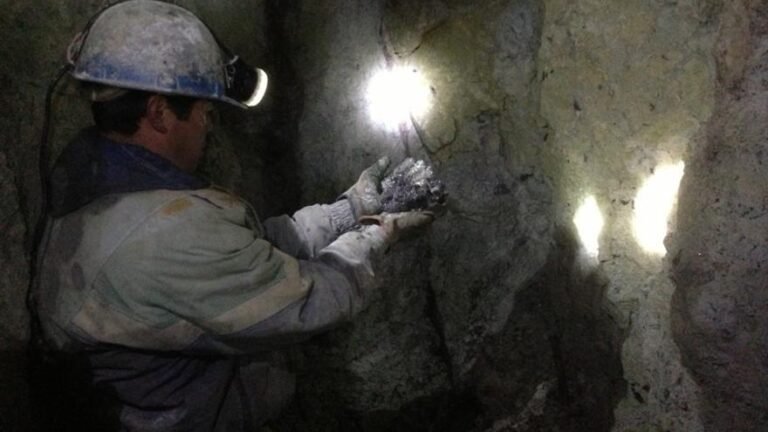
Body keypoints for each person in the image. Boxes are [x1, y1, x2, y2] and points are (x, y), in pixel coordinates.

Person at [32, 1, 434, 431]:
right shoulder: (162, 236)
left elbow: (241, 254)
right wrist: (377, 234)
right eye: (205, 111)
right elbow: (306, 299)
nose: (209, 125)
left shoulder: (100, 173)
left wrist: (347, 210)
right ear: (158, 113)